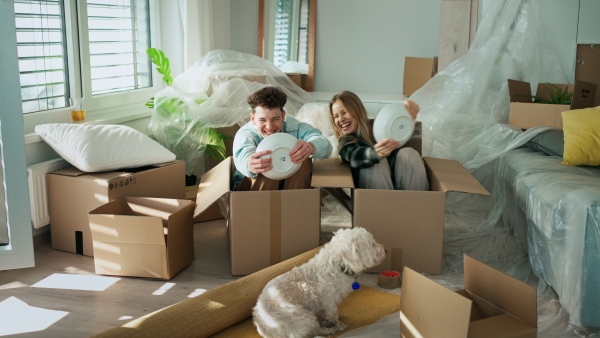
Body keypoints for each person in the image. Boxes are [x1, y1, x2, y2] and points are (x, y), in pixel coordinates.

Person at [233, 86, 332, 191]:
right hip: (254, 190)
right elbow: (242, 154)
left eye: (275, 119)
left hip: (292, 186)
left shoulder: (295, 127)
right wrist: (249, 164)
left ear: (283, 115)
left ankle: (295, 203)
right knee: (264, 163)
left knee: (302, 154)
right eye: (262, 120)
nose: (269, 127)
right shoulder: (246, 134)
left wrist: (311, 146)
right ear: (253, 119)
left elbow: (324, 144)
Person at [328, 91, 429, 191]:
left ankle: (418, 204)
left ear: (357, 110)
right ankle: (384, 206)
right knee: (376, 162)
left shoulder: (378, 128)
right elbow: (353, 156)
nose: (340, 119)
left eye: (344, 112)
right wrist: (375, 153)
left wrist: (408, 110)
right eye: (336, 116)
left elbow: (398, 125)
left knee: (408, 153)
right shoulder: (345, 141)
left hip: (397, 186)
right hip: (372, 195)